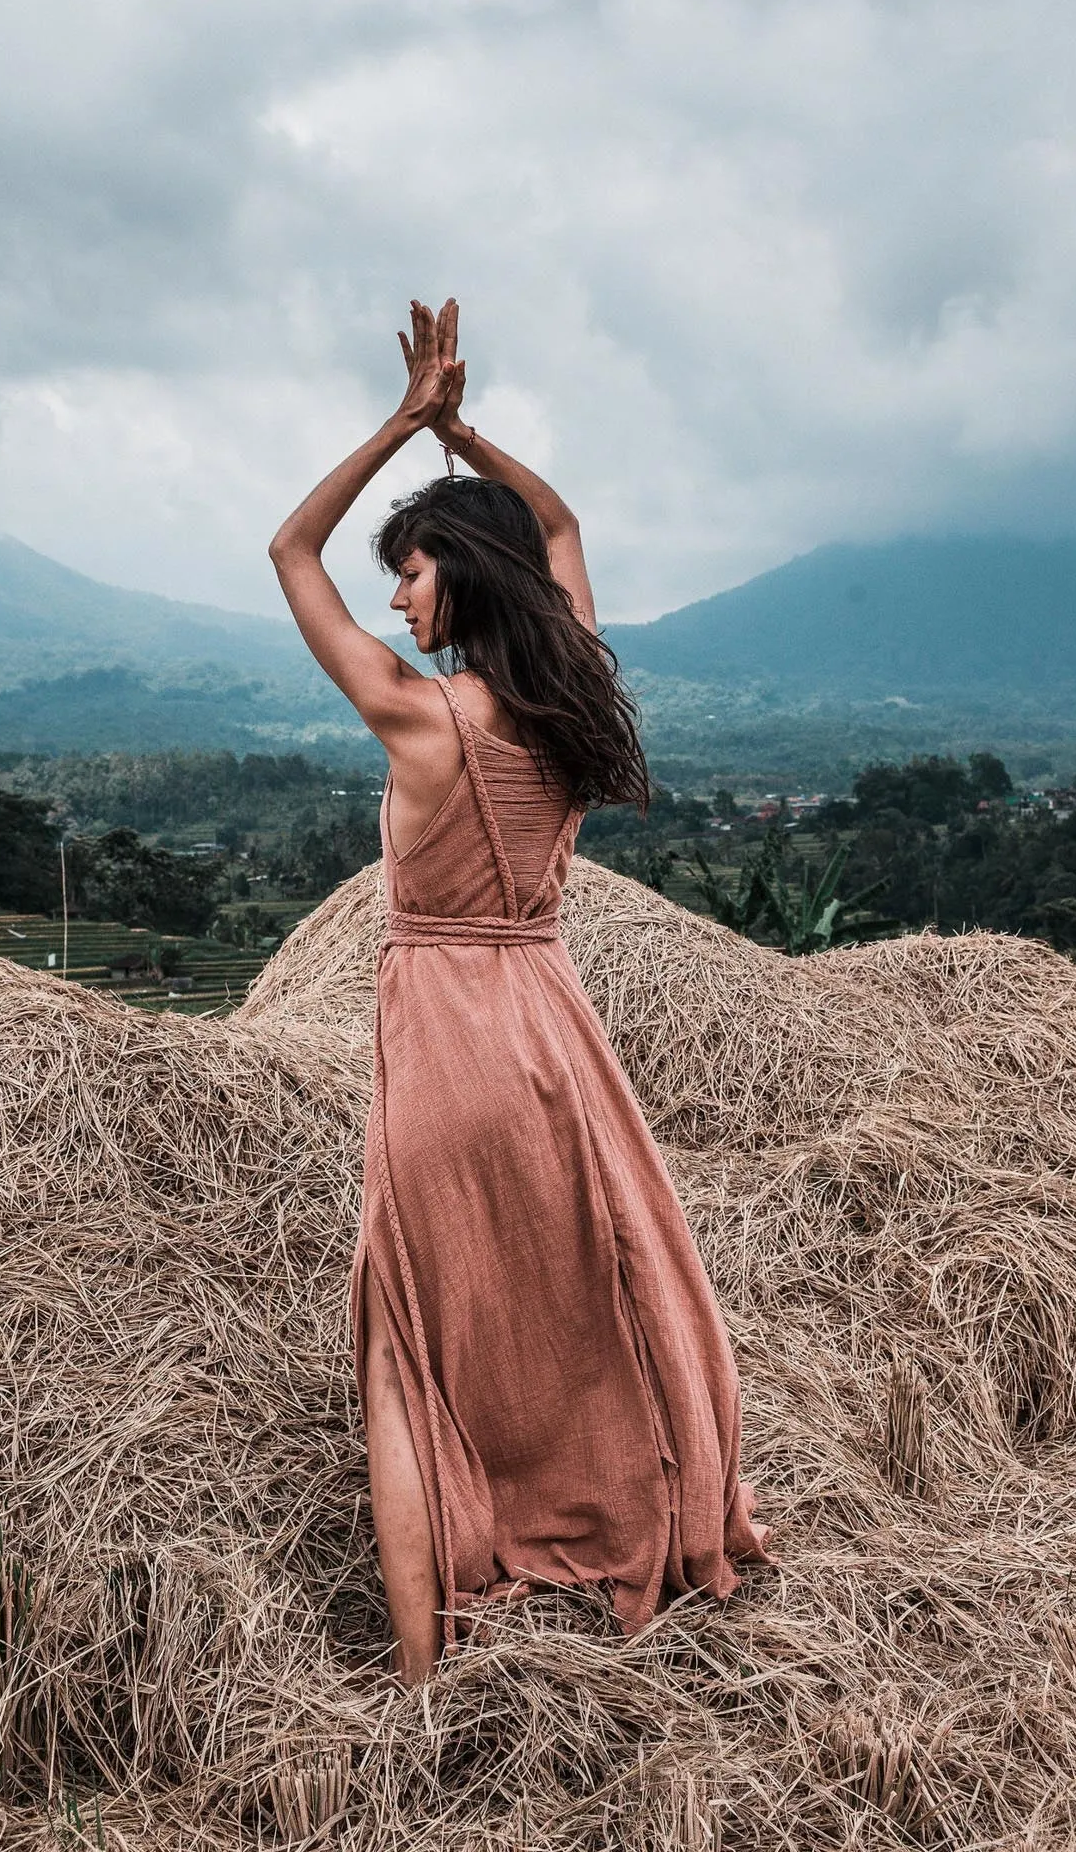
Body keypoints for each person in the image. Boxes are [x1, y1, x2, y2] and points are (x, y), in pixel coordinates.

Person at [269, 299, 773, 1685]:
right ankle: (620, 1504)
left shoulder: (415, 716)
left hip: (439, 1038)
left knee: (407, 1340)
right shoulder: (568, 703)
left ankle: (425, 1679)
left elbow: (287, 549)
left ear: (463, 580)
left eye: (417, 571)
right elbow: (561, 535)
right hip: (553, 1033)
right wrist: (460, 435)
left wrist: (403, 423)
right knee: (586, 1294)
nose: (397, 598)